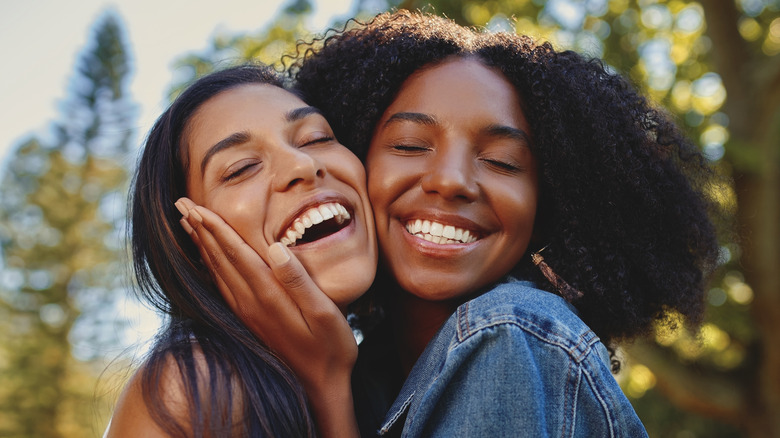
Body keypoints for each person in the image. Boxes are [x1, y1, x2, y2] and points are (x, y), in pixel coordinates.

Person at [186, 10, 723, 437]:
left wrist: (327, 390)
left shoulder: (508, 335)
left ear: (543, 213)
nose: (451, 181)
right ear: (356, 167)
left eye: (502, 162)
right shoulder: (362, 370)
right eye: (410, 146)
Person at [105, 63, 377, 437]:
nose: (303, 164)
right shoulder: (192, 387)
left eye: (315, 138)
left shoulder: (391, 377)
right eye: (241, 168)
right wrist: (326, 387)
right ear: (193, 244)